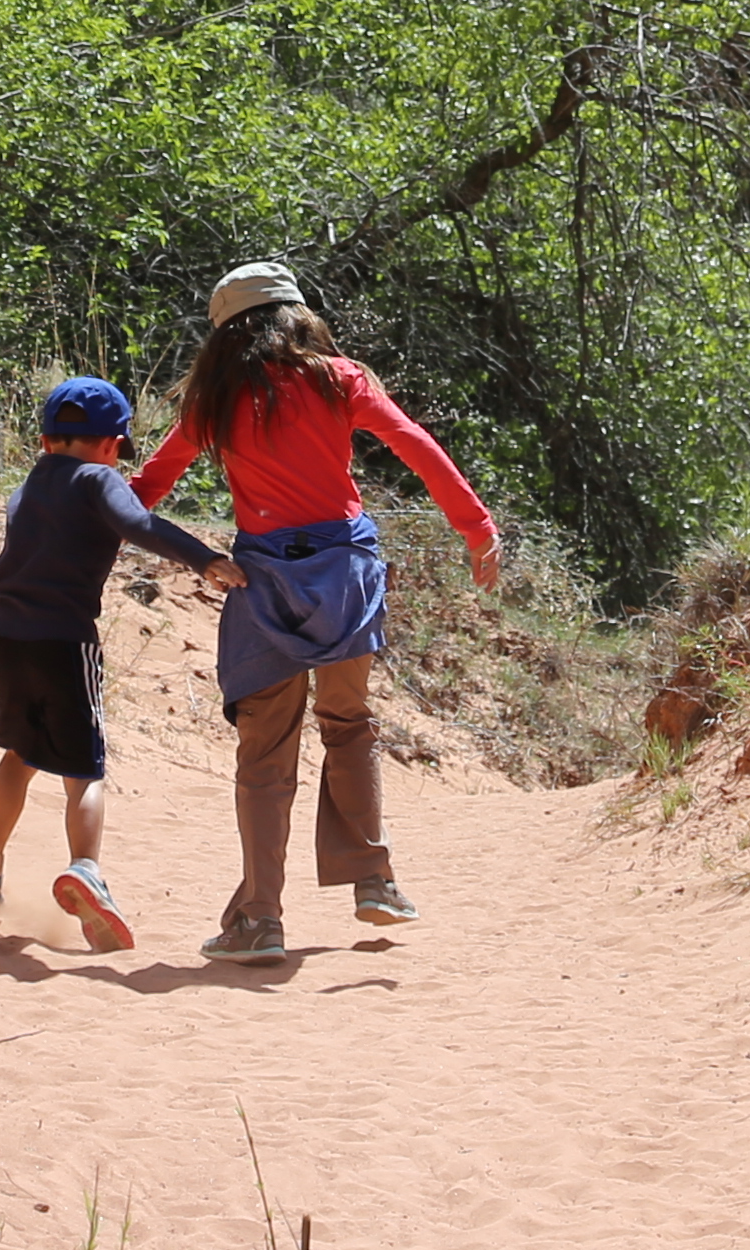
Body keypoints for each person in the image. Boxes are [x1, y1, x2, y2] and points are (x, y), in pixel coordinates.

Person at [135, 263, 502, 963]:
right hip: (345, 576)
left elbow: (149, 485)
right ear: (295, 314)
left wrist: (84, 523)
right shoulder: (340, 378)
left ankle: (260, 921)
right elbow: (416, 445)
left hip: (264, 580)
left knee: (265, 755)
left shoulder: (211, 401)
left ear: (225, 332)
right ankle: (373, 879)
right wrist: (475, 526)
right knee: (349, 723)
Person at [0, 373, 238, 952]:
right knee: (83, 769)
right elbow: (139, 524)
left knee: (20, 753)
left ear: (44, 441)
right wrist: (205, 559)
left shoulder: (29, 486)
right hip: (65, 641)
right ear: (113, 444)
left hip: (6, 637)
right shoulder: (98, 479)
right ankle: (84, 868)